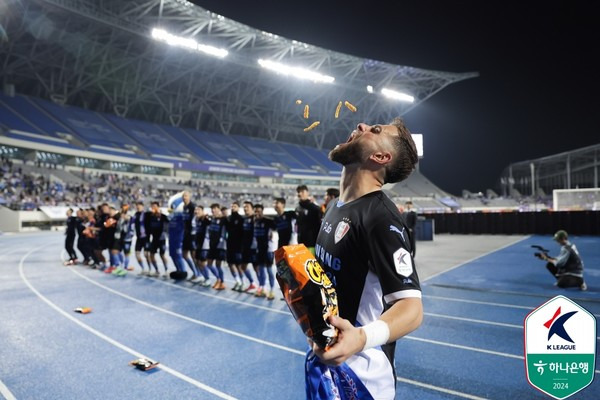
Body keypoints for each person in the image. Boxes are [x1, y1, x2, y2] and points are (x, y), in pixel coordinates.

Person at [310, 119, 423, 399]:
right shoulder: (336, 207)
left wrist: (360, 338)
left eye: (375, 130)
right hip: (327, 361)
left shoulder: (380, 216)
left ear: (381, 157)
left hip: (362, 377)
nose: (362, 124)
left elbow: (411, 308)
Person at [252, 204, 276, 299]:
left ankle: (272, 290)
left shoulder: (268, 221)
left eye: (259, 211)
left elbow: (275, 227)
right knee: (261, 270)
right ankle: (262, 288)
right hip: (259, 249)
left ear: (262, 211)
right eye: (256, 211)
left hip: (268, 249)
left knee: (269, 270)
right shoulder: (255, 222)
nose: (257, 213)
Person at [295, 185, 323, 255]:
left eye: (302, 191)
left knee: (311, 264)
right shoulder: (297, 208)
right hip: (300, 243)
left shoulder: (315, 208)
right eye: (298, 192)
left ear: (307, 193)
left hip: (312, 244)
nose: (300, 194)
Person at [206, 203, 227, 290]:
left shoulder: (224, 220)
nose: (213, 210)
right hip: (212, 245)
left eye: (215, 209)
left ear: (219, 209)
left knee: (218, 265)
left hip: (220, 246)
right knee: (209, 264)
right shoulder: (212, 219)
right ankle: (219, 279)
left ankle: (221, 282)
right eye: (212, 209)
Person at [146, 201, 170, 277]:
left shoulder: (163, 216)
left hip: (161, 239)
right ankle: (156, 270)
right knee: (151, 255)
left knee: (162, 255)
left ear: (158, 207)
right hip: (154, 239)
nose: (154, 208)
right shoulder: (150, 216)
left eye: (155, 206)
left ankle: (166, 270)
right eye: (152, 207)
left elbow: (169, 223)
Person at [226, 201, 245, 291]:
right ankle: (237, 281)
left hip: (238, 245)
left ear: (238, 208)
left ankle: (242, 282)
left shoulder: (241, 219)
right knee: (230, 264)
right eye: (232, 206)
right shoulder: (228, 218)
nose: (233, 208)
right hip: (229, 244)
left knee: (238, 265)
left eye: (235, 206)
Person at [239, 201, 257, 292]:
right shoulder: (244, 219)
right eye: (244, 207)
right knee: (243, 266)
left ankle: (263, 286)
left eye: (247, 207)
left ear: (252, 208)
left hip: (254, 247)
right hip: (245, 247)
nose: (245, 208)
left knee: (256, 267)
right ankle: (252, 283)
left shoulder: (255, 218)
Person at [132, 201, 150, 275]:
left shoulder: (146, 214)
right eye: (137, 206)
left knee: (146, 254)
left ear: (143, 207)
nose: (138, 207)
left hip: (146, 237)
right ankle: (143, 269)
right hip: (139, 237)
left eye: (139, 206)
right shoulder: (136, 214)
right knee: (137, 254)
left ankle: (150, 269)